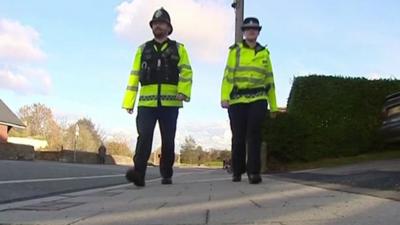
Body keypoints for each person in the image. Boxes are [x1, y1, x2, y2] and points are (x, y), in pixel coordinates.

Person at [122, 7, 193, 187]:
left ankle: (166, 174)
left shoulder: (179, 49)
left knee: (168, 139)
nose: (158, 26)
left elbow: (186, 71)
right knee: (144, 137)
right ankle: (138, 174)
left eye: (161, 23)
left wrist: (183, 91)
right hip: (147, 103)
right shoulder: (143, 49)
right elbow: (134, 76)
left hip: (170, 102)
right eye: (155, 24)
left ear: (169, 28)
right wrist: (129, 102)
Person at [220, 17, 278, 184]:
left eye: (254, 29)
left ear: (258, 32)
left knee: (254, 134)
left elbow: (270, 81)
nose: (251, 31)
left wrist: (273, 105)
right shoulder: (235, 51)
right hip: (237, 100)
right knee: (238, 136)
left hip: (258, 99)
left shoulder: (264, 53)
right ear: (244, 32)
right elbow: (227, 76)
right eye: (248, 28)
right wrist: (224, 97)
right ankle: (237, 171)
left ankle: (254, 172)